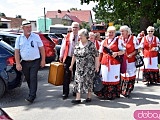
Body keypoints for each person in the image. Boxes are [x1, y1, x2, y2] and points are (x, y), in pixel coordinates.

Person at [15, 20, 45, 103]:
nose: (29, 29)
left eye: (30, 27)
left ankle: (32, 96)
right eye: (27, 27)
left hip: (35, 61)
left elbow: (41, 49)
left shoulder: (36, 37)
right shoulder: (19, 38)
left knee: (33, 77)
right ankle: (32, 92)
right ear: (23, 28)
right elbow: (17, 51)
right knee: (28, 78)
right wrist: (17, 63)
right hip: (24, 62)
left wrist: (43, 60)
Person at [69, 29, 99, 104]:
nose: (79, 37)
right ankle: (78, 98)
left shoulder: (91, 44)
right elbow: (74, 55)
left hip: (89, 67)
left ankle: (89, 97)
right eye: (79, 35)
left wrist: (97, 66)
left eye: (81, 35)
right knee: (78, 81)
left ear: (86, 36)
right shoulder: (77, 44)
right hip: (79, 67)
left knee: (89, 82)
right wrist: (71, 65)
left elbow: (96, 56)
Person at [95, 26, 125, 100]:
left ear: (115, 33)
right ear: (106, 33)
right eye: (109, 32)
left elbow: (123, 51)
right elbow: (100, 53)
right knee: (105, 77)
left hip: (114, 63)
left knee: (113, 78)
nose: (110, 34)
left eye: (112, 32)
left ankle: (113, 94)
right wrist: (97, 65)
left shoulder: (118, 41)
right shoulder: (103, 41)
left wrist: (117, 53)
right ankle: (104, 94)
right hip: (104, 62)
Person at [59, 22, 79, 99]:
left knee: (76, 76)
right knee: (66, 76)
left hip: (78, 58)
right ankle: (65, 93)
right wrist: (61, 56)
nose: (75, 29)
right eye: (73, 27)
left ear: (78, 28)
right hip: (68, 58)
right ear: (71, 28)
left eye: (76, 27)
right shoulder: (67, 36)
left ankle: (75, 91)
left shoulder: (81, 37)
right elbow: (63, 47)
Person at [119, 25, 139, 98]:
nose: (121, 33)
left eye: (122, 31)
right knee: (123, 74)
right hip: (122, 60)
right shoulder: (119, 38)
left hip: (131, 60)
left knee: (130, 74)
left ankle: (128, 90)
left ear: (127, 32)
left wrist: (131, 54)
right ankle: (123, 89)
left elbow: (137, 49)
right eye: (120, 31)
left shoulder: (133, 38)